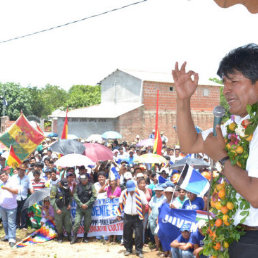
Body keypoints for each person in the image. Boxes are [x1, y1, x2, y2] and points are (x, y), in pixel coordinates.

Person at [172, 43, 258, 257]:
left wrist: (221, 157)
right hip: (236, 237)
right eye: (224, 82)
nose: (226, 90)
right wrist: (183, 100)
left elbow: (255, 195)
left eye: (234, 81)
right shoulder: (236, 125)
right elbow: (189, 144)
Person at [117, 180, 148, 258]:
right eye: (129, 190)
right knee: (127, 233)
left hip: (138, 216)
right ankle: (128, 249)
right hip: (127, 216)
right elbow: (120, 203)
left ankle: (139, 250)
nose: (131, 191)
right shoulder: (124, 193)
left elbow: (144, 205)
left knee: (139, 234)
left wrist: (142, 215)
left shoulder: (140, 193)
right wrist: (119, 214)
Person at [71, 174, 97, 244]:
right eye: (82, 180)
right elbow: (75, 195)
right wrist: (80, 204)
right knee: (76, 222)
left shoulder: (91, 186)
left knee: (87, 223)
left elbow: (94, 196)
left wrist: (87, 204)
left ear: (87, 179)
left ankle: (85, 236)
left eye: (85, 180)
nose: (83, 181)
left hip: (88, 207)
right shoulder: (77, 186)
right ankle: (74, 237)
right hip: (80, 208)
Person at [50, 178, 72, 243]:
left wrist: (69, 204)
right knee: (59, 224)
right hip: (58, 208)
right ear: (60, 183)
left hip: (66, 208)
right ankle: (60, 236)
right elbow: (52, 199)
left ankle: (69, 235)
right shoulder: (54, 188)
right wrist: (56, 209)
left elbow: (70, 196)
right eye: (63, 186)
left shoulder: (67, 187)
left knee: (68, 223)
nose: (65, 187)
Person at [0, 170, 19, 247]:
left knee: (11, 223)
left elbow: (16, 191)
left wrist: (7, 188)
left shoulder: (12, 181)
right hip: (2, 206)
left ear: (7, 175)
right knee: (4, 222)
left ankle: (12, 239)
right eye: (1, 177)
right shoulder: (1, 183)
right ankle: (7, 236)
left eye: (3, 176)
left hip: (11, 207)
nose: (2, 177)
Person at [14, 164, 34, 230]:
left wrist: (33, 194)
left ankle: (23, 226)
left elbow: (30, 187)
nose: (22, 171)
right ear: (18, 170)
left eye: (24, 170)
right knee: (16, 211)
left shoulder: (27, 178)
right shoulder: (13, 177)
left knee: (24, 212)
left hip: (24, 197)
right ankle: (16, 225)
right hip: (15, 197)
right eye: (21, 170)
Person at [148, 185, 165, 251]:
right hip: (152, 217)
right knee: (155, 233)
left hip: (160, 218)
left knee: (161, 232)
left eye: (159, 191)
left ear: (161, 191)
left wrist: (159, 218)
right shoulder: (153, 198)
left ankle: (162, 247)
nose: (157, 192)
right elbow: (150, 207)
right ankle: (157, 246)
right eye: (156, 191)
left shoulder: (164, 199)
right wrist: (150, 216)